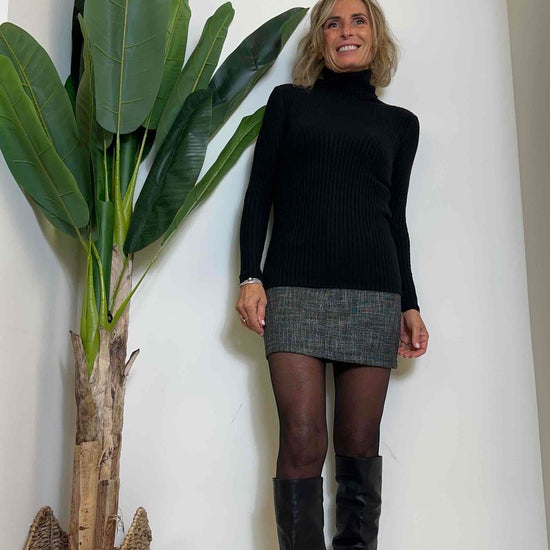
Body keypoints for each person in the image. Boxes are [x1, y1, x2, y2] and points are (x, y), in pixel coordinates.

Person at [235, 0, 429, 547]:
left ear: (375, 35)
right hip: (294, 291)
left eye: (358, 20)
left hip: (374, 293)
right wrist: (251, 275)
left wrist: (409, 303)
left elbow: (395, 219)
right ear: (320, 39)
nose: (346, 31)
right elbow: (259, 195)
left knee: (359, 447)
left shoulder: (400, 125)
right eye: (332, 22)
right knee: (301, 442)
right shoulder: (288, 103)